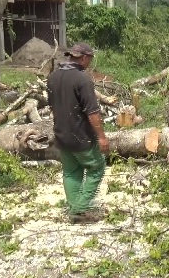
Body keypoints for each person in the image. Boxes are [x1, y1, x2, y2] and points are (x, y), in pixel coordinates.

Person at [47, 42, 110, 224]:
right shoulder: (82, 79)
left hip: (61, 133)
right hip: (80, 135)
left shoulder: (53, 77)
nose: (90, 63)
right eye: (90, 59)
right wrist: (101, 137)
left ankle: (76, 211)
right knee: (96, 168)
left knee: (71, 172)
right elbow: (92, 112)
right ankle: (79, 208)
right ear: (83, 58)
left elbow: (52, 107)